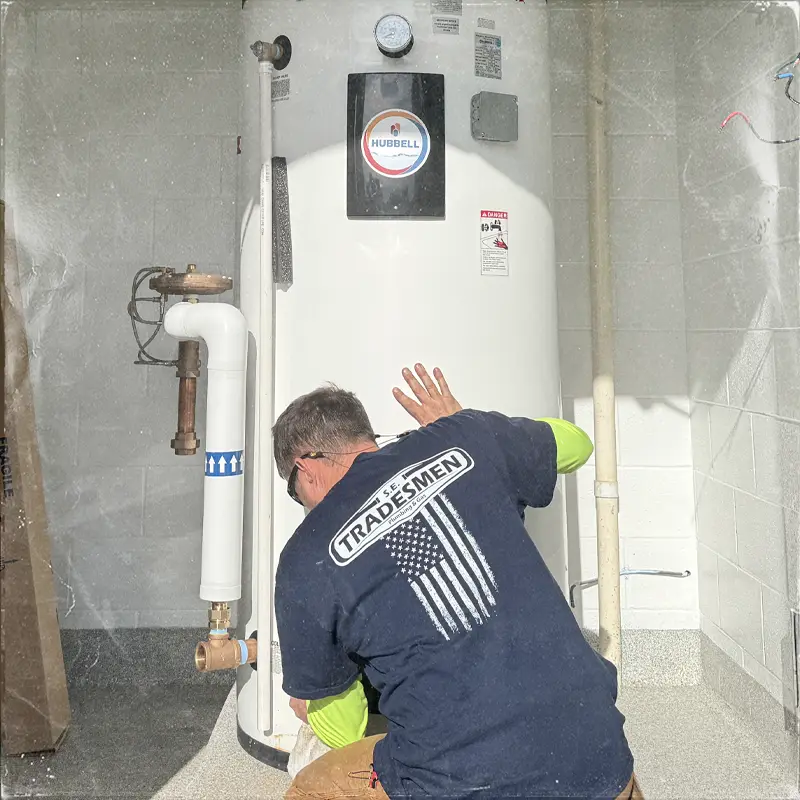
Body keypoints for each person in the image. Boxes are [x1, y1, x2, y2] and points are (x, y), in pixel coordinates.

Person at [272, 364, 641, 800]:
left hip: (465, 785)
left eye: (294, 492)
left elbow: (346, 729)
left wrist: (314, 705)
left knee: (312, 787)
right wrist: (462, 421)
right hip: (602, 764)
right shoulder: (465, 436)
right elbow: (578, 445)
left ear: (305, 468)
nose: (301, 502)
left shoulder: (305, 557)